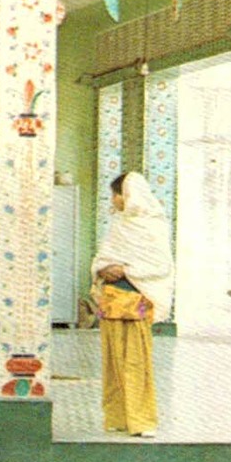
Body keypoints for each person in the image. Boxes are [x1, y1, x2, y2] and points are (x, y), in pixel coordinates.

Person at [91, 171, 174, 438]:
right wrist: (104, 269)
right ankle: (117, 417)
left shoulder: (153, 225)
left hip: (136, 302)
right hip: (113, 301)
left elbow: (159, 265)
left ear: (127, 195)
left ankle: (142, 421)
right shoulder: (119, 224)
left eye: (115, 194)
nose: (113, 200)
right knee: (113, 362)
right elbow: (102, 259)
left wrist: (125, 270)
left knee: (136, 363)